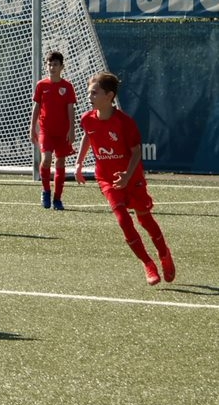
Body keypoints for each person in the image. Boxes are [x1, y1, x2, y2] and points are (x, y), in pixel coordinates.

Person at [75, 72, 175, 286]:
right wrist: (79, 164)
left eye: (94, 93)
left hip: (132, 177)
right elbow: (87, 136)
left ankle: (164, 253)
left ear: (109, 96)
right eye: (89, 92)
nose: (89, 96)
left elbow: (136, 151)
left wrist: (127, 175)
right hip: (107, 178)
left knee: (145, 219)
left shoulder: (124, 122)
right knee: (122, 219)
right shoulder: (86, 119)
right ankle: (148, 263)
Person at [30, 51, 77, 210]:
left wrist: (72, 130)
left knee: (60, 161)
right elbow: (36, 107)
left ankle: (57, 198)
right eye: (49, 64)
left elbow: (70, 109)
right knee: (46, 159)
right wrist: (32, 127)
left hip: (62, 132)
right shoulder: (41, 85)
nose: (52, 67)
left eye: (55, 64)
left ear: (62, 67)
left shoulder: (67, 86)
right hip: (46, 131)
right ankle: (46, 191)